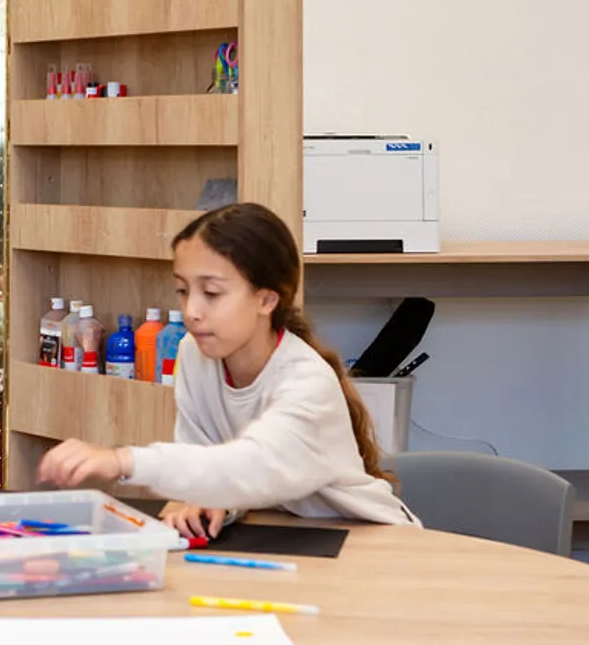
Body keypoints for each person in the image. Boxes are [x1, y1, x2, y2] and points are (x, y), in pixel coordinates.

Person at [38, 202, 417, 535]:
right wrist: (206, 501)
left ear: (266, 300)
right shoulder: (193, 352)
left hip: (369, 540)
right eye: (183, 290)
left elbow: (252, 467)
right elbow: (206, 459)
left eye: (212, 293)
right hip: (280, 534)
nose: (191, 311)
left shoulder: (307, 381)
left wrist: (122, 460)